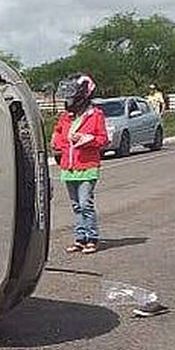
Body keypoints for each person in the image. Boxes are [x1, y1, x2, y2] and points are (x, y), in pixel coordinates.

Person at [51, 74, 109, 254]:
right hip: (68, 166)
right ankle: (80, 238)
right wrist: (57, 143)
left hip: (87, 166)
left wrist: (86, 139)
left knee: (85, 204)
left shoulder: (95, 115)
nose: (69, 100)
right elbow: (58, 135)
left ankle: (92, 238)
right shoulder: (66, 117)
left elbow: (103, 139)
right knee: (76, 205)